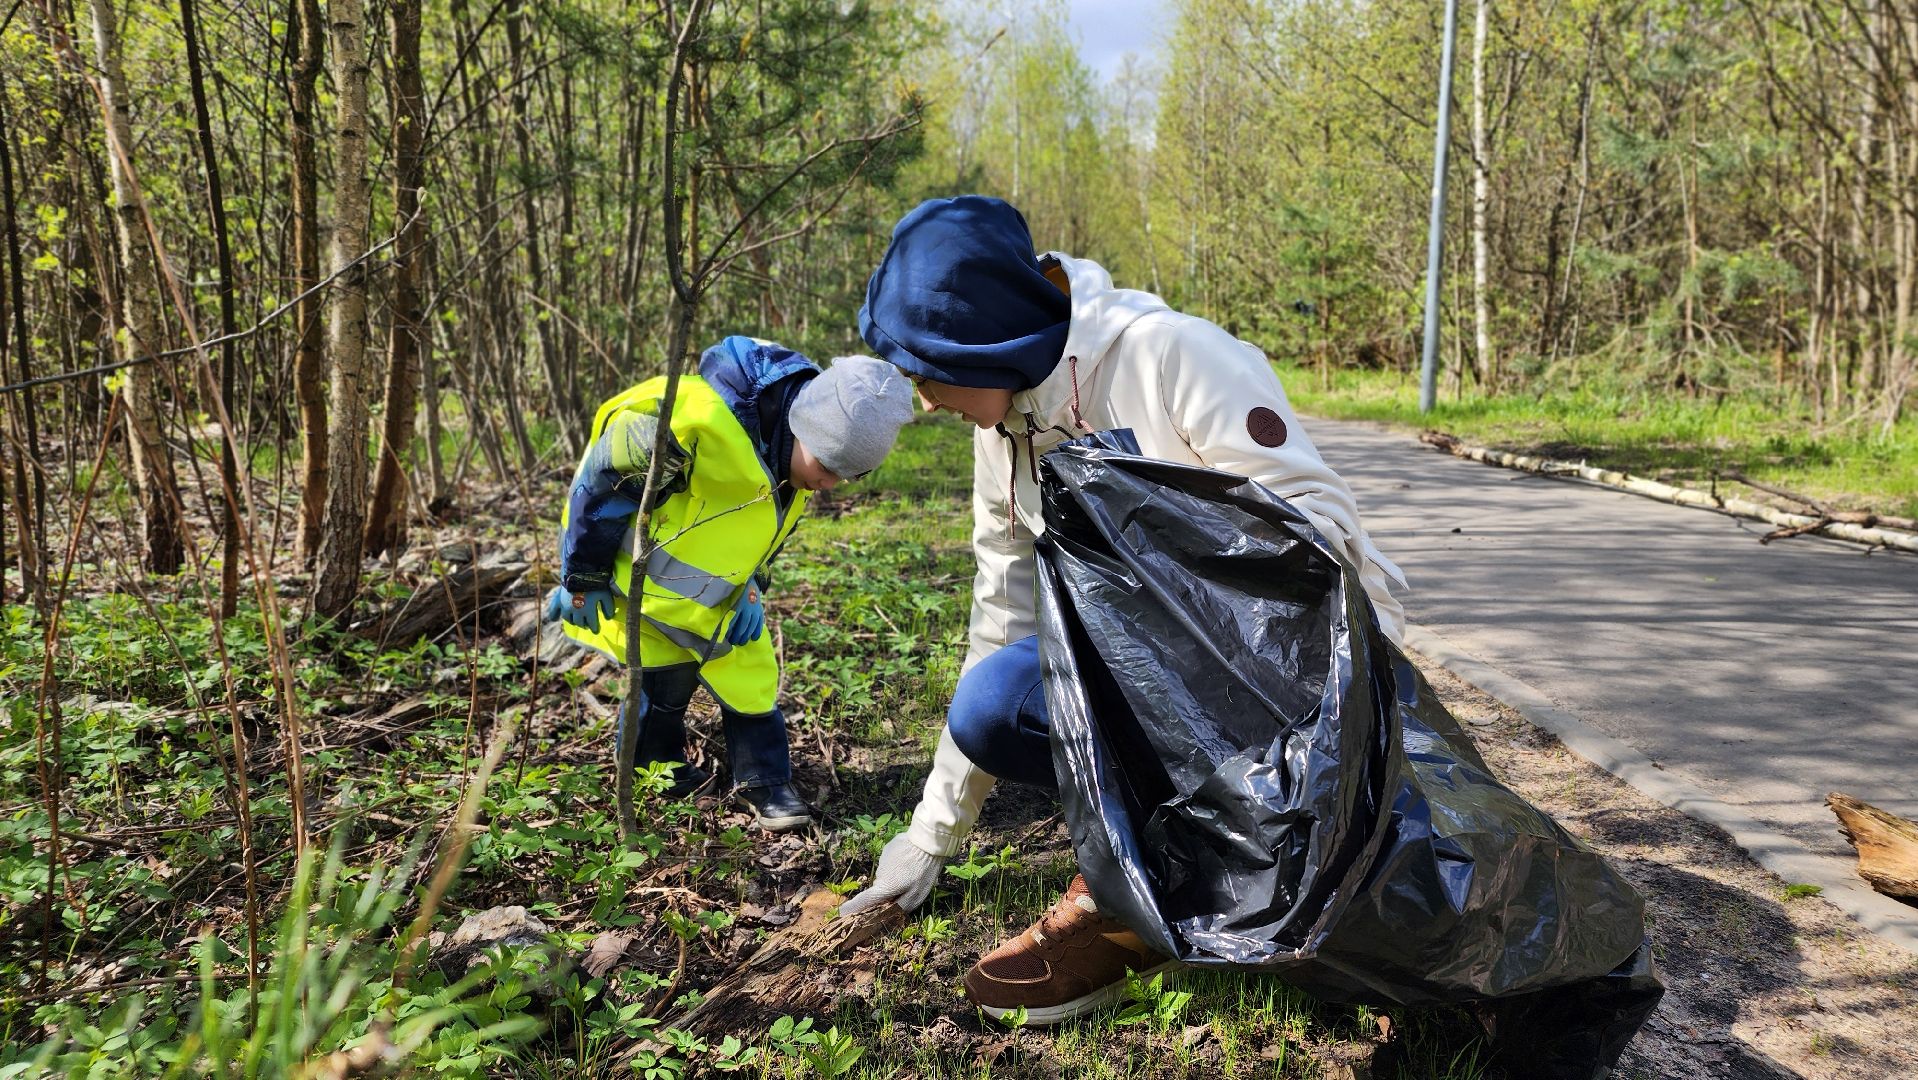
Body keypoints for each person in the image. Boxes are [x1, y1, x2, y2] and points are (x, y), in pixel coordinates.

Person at [839, 196, 1408, 1022]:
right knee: (995, 704)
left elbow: (1323, 539)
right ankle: (1149, 885)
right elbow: (1002, 613)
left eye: (929, 372)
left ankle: (1279, 860)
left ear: (987, 340)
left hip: (1293, 685)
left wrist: (1159, 565)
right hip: (1160, 693)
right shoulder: (1002, 434)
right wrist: (931, 835)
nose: (925, 401)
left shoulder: (1171, 356)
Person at [549, 336, 914, 831]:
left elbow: (767, 528)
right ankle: (652, 768)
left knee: (751, 680)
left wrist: (753, 586)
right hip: (642, 592)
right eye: (828, 468)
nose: (829, 484)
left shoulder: (794, 456)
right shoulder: (685, 425)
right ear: (802, 428)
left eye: (849, 476)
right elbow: (600, 487)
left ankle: (764, 780)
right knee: (661, 682)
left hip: (720, 600)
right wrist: (583, 576)